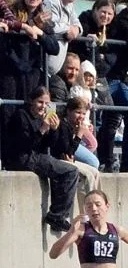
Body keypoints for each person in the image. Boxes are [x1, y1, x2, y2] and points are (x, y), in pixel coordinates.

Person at [1, 86, 79, 231]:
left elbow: (50, 144)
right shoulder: (21, 116)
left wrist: (54, 130)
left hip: (36, 156)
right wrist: (42, 128)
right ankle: (57, 215)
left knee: (67, 170)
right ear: (31, 101)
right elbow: (25, 145)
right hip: (22, 158)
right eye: (40, 102)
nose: (43, 106)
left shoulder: (41, 118)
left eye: (46, 104)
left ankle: (57, 213)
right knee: (70, 171)